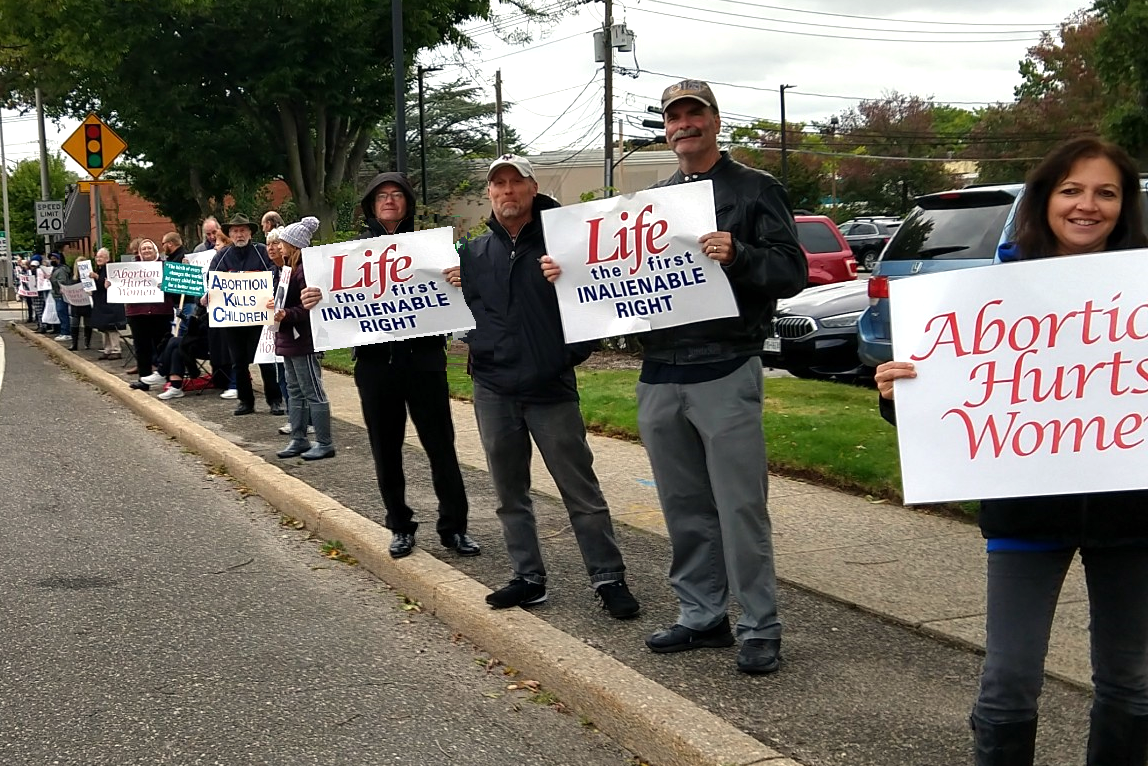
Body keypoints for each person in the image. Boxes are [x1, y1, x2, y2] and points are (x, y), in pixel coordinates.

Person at [875, 137, 1148, 765]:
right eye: (1071, 190)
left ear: (1124, 206)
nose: (1087, 205)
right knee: (1009, 680)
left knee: (1131, 679)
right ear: (1045, 199)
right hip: (1025, 513)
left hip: (1132, 516)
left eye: (1106, 193)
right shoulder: (986, 297)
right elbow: (952, 404)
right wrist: (899, 394)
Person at [543, 81, 807, 671]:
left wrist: (740, 253)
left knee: (740, 508)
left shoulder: (756, 189)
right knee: (683, 506)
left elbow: (792, 271)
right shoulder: (653, 202)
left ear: (715, 121)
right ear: (666, 130)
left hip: (726, 366)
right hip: (660, 371)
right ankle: (702, 615)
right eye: (674, 117)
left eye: (695, 114)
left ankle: (760, 625)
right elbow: (614, 278)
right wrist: (569, 273)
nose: (684, 124)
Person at [453, 154, 638, 617]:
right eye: (499, 184)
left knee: (580, 490)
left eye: (516, 182)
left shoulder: (565, 244)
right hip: (494, 389)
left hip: (550, 387)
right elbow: (456, 310)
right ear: (490, 193)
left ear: (533, 188)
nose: (508, 191)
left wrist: (563, 356)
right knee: (509, 492)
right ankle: (528, 577)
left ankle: (608, 577)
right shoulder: (474, 253)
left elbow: (598, 301)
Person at [300, 173, 477, 559]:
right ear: (371, 204)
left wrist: (462, 280)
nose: (390, 200)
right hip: (376, 365)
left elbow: (460, 296)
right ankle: (399, 525)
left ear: (408, 202)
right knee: (386, 449)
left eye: (397, 194)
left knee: (441, 448)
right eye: (382, 196)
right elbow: (331, 298)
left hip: (425, 362)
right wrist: (314, 297)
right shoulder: (350, 255)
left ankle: (454, 528)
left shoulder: (432, 249)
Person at [270, 216, 335, 461]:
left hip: (302, 340)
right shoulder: (289, 270)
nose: (279, 247)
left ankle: (324, 441)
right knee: (295, 389)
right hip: (289, 338)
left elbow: (310, 308)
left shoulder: (303, 271)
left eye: (282, 243)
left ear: (293, 245)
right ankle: (298, 438)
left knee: (311, 389)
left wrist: (286, 314)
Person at [125, 239, 175, 389]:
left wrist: (165, 285)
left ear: (155, 251)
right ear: (139, 252)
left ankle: (167, 377)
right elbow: (119, 284)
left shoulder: (165, 267)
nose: (146, 251)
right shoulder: (129, 269)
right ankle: (144, 379)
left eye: (149, 248)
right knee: (141, 347)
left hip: (161, 312)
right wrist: (110, 284)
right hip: (137, 313)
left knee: (163, 346)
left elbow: (175, 287)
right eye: (143, 249)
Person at [90, 248, 126, 360]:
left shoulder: (111, 269)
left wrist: (97, 277)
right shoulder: (100, 269)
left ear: (107, 258)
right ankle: (107, 349)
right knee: (104, 328)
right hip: (102, 303)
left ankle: (116, 350)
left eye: (101, 257)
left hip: (110, 303)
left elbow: (110, 284)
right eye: (97, 257)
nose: (98, 259)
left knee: (111, 327)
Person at [47, 252, 72, 341]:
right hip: (57, 294)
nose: (52, 260)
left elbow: (62, 281)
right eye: (51, 259)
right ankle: (64, 331)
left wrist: (53, 280)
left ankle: (66, 332)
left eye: (54, 259)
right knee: (61, 313)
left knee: (62, 313)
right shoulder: (56, 269)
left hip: (60, 294)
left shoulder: (61, 270)